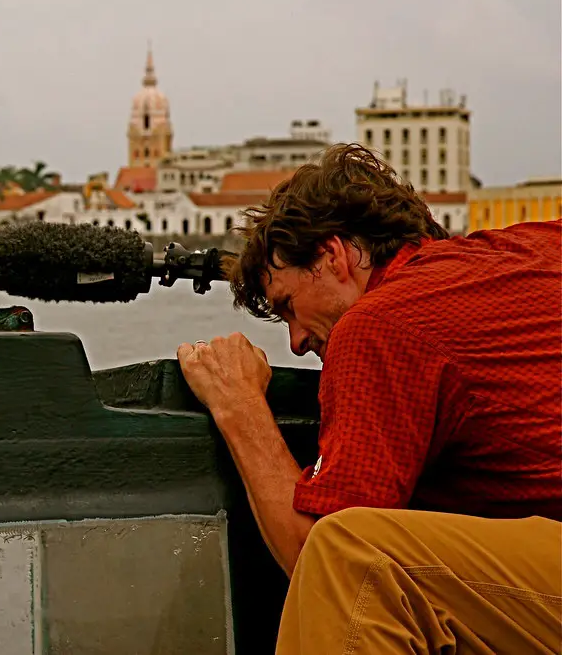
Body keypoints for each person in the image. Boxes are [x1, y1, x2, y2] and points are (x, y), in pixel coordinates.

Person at [177, 143, 561, 653]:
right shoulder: (532, 249)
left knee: (349, 554)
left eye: (289, 305)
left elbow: (319, 558)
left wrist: (238, 405)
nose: (294, 341)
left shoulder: (382, 321)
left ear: (335, 256)